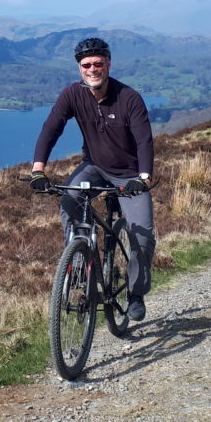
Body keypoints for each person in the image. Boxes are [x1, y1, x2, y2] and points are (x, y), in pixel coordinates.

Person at [29, 36, 155, 321]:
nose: (92, 69)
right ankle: (78, 260)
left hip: (129, 175)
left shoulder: (129, 98)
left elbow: (145, 141)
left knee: (143, 235)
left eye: (98, 63)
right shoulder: (72, 95)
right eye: (86, 64)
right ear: (79, 68)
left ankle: (136, 293)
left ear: (108, 64)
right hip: (94, 166)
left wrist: (144, 178)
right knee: (69, 201)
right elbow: (51, 129)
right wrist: (38, 169)